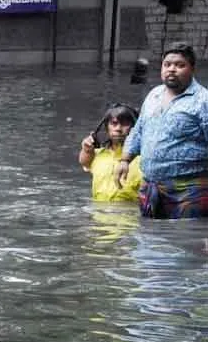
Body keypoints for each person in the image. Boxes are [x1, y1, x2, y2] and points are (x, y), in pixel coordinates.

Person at [116, 42, 208, 219]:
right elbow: (139, 130)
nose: (171, 69)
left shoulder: (203, 101)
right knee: (148, 240)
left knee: (188, 241)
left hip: (190, 190)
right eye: (167, 65)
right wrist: (125, 160)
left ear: (192, 68)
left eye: (179, 65)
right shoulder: (154, 95)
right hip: (151, 187)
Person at [78, 104, 142, 202]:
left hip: (131, 213)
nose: (118, 129)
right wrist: (86, 149)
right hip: (99, 213)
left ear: (135, 128)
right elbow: (84, 162)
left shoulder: (143, 157)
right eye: (114, 123)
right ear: (107, 128)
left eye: (125, 124)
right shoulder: (97, 155)